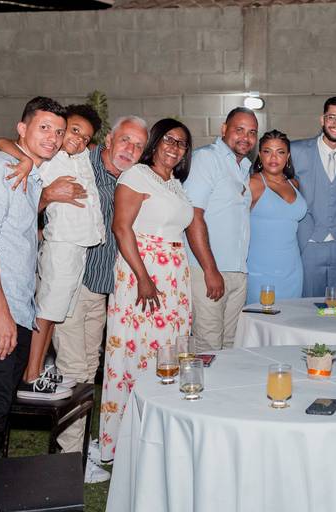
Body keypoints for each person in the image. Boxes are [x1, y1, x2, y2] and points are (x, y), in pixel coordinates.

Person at [0, 97, 66, 461]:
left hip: (14, 314)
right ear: (22, 129)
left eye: (59, 131)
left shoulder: (30, 178)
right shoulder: (0, 167)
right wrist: (0, 312)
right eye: (45, 127)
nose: (53, 137)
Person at [53, 115, 148, 480]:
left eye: (138, 145)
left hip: (100, 287)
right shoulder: (79, 162)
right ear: (109, 139)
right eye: (125, 140)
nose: (130, 149)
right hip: (71, 283)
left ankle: (78, 446)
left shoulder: (130, 179)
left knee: (88, 370)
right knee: (73, 370)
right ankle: (69, 460)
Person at [99, 119, 194, 463]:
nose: (174, 147)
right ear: (155, 142)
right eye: (168, 139)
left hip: (174, 279)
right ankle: (126, 445)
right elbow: (121, 228)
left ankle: (160, 437)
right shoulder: (136, 176)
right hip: (143, 274)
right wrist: (143, 277)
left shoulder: (175, 185)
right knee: (137, 354)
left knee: (168, 352)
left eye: (181, 143)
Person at [0, 104, 105, 400]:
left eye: (85, 137)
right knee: (46, 313)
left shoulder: (80, 156)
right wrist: (24, 161)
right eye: (74, 131)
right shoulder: (49, 156)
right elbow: (1, 141)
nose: (78, 139)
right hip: (62, 245)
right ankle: (30, 376)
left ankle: (38, 370)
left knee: (55, 314)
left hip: (80, 246)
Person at [185, 107, 258, 352]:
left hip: (237, 272)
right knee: (208, 346)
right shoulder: (206, 158)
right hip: (208, 270)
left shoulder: (243, 167)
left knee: (231, 346)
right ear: (224, 129)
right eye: (239, 130)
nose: (246, 137)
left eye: (252, 132)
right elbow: (193, 216)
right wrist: (210, 270)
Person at [291, 96, 336, 298]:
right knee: (307, 307)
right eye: (332, 117)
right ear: (322, 119)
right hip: (308, 243)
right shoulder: (296, 150)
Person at [246, 130, 308, 304]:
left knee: (291, 317)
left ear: (287, 156)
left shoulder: (294, 183)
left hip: (293, 269)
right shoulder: (252, 184)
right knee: (260, 318)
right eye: (267, 151)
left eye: (280, 152)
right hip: (259, 270)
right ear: (260, 155)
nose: (273, 157)